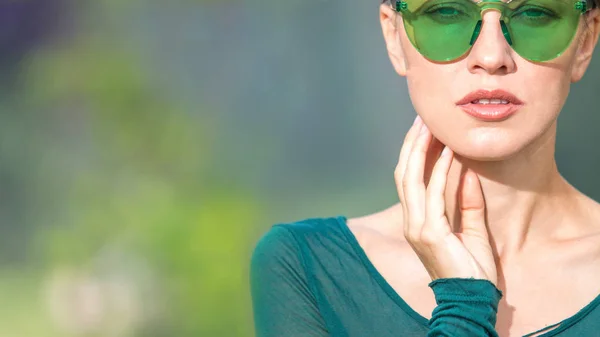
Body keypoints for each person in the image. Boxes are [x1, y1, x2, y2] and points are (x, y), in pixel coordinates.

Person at [250, 0, 600, 335]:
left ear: (585, 40)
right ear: (394, 37)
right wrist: (465, 304)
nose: (491, 57)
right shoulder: (309, 268)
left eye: (535, 13)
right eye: (446, 12)